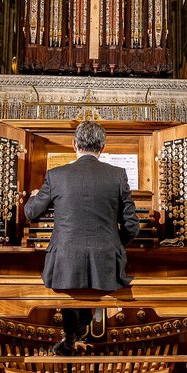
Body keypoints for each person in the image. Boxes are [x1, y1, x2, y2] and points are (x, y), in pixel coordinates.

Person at [24, 120, 140, 355]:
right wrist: (115, 246)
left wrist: (35, 195)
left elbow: (30, 213)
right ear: (103, 147)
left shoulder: (55, 175)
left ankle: (70, 338)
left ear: (74, 144)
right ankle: (75, 337)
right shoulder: (118, 175)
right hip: (106, 265)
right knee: (87, 275)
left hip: (63, 265)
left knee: (73, 272)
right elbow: (132, 226)